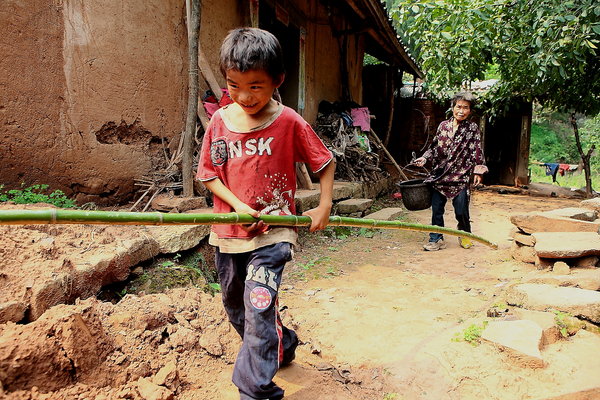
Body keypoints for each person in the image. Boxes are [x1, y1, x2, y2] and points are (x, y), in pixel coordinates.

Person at [196, 27, 335, 400]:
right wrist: (238, 206)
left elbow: (324, 162)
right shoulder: (220, 123)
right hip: (228, 235)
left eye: (256, 86)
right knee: (237, 307)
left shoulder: (288, 121)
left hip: (274, 234)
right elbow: (208, 174)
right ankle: (283, 344)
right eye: (233, 85)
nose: (244, 96)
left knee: (257, 307)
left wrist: (324, 204)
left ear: (277, 80)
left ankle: (255, 390)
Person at [413, 91, 488, 251]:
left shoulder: (472, 128)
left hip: (461, 176)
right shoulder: (443, 126)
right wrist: (425, 158)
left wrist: (478, 171)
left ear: (470, 110)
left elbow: (477, 149)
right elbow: (433, 147)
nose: (461, 111)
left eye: (466, 108)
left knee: (461, 210)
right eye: (458, 107)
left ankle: (465, 234)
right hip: (440, 175)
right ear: (452, 107)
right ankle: (436, 238)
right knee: (437, 210)